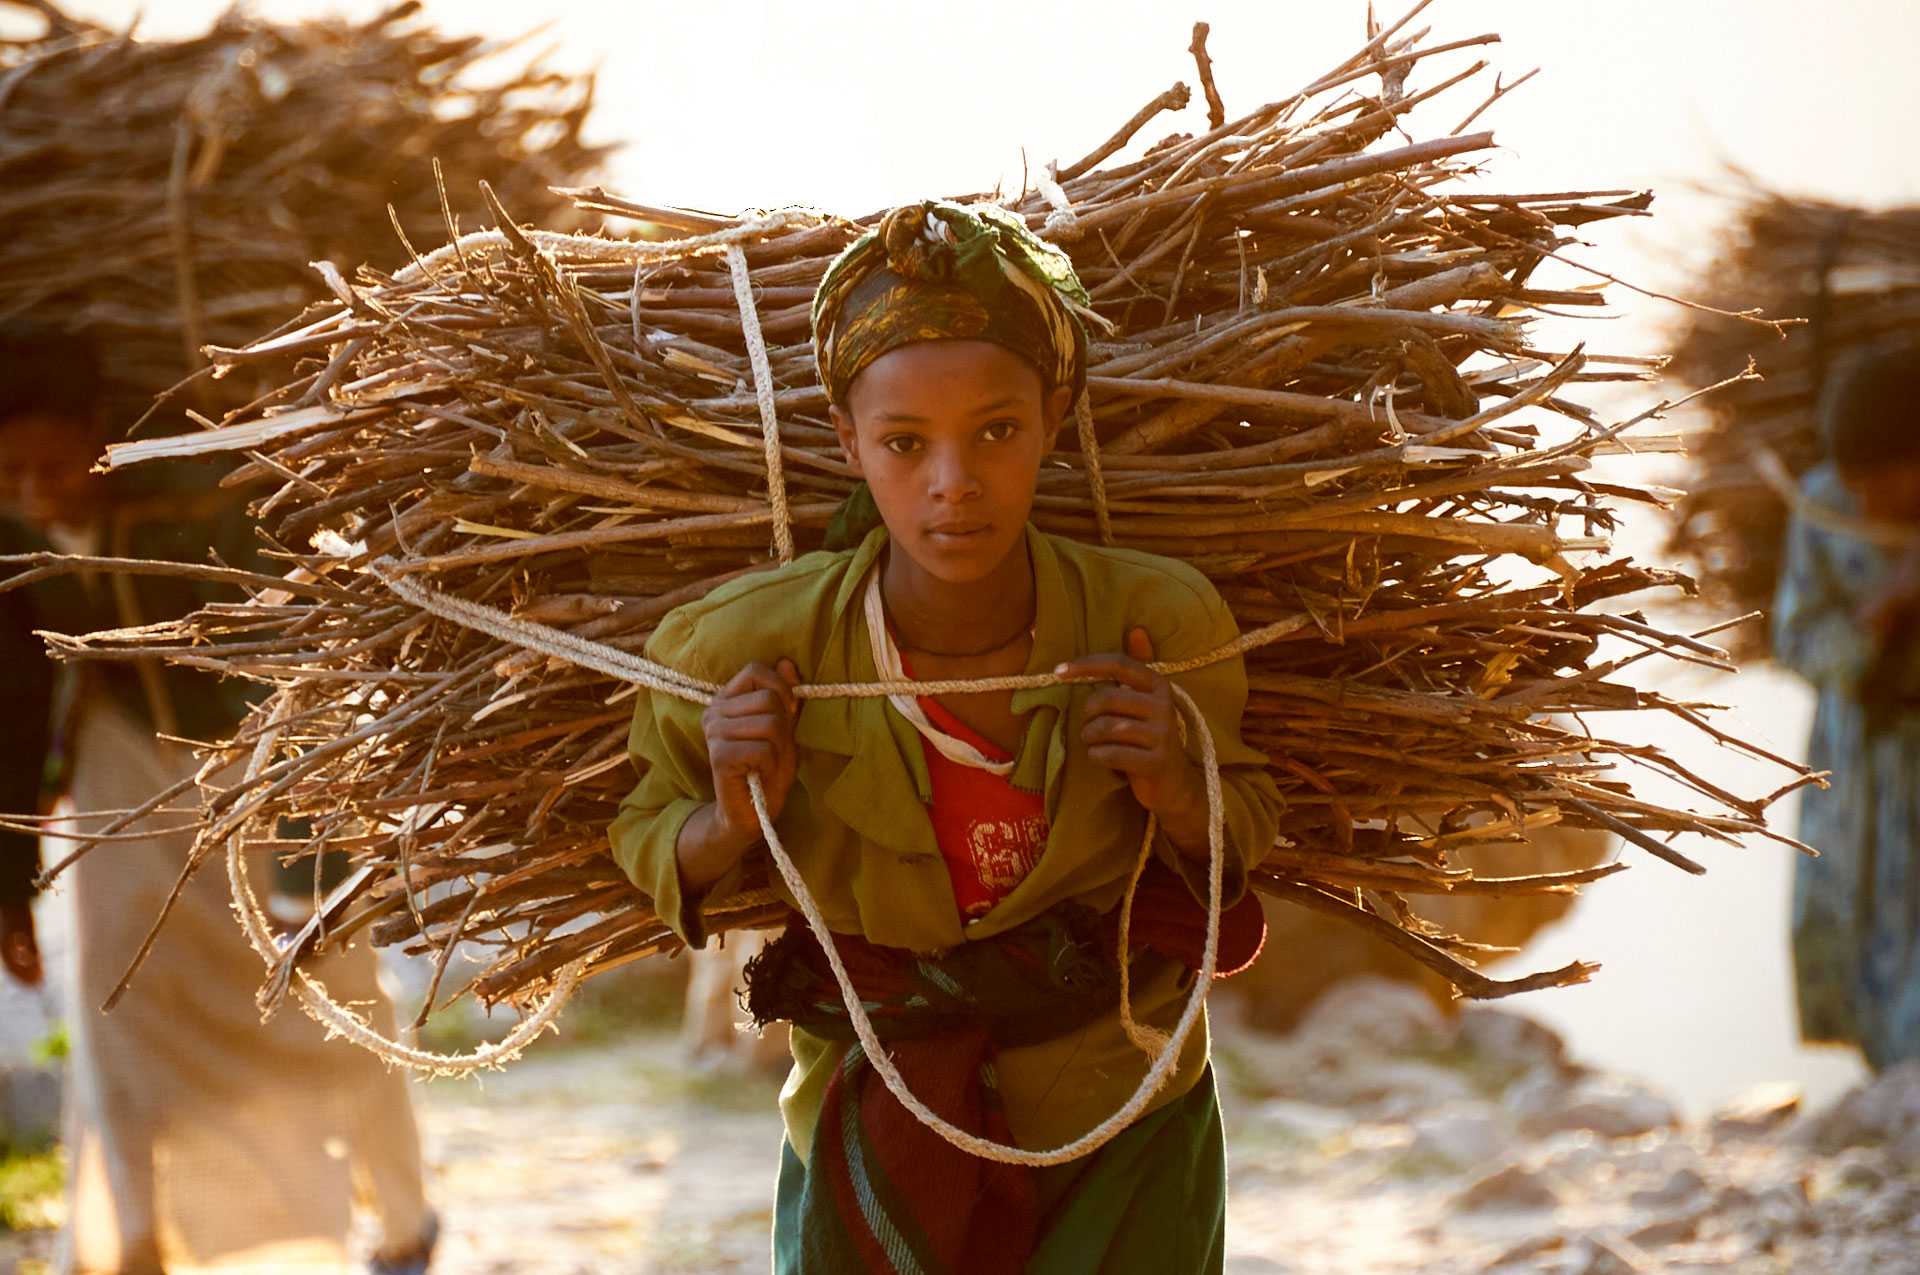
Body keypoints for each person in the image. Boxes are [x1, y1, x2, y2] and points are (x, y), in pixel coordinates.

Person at [611, 202, 1283, 1273]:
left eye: (996, 432)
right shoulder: (737, 646)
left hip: (1124, 1104)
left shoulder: (1161, 623)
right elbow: (647, 834)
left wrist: (1183, 785)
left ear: (1054, 416)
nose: (953, 484)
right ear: (848, 442)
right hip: (876, 1109)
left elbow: (1243, 835)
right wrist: (730, 819)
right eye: (905, 444)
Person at [0, 323, 439, 1275]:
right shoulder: (7, 538)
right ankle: (136, 1242)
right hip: (124, 782)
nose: (33, 491)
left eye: (51, 463)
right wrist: (5, 889)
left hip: (260, 765)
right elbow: (10, 699)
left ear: (100, 432)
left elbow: (299, 670)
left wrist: (304, 859)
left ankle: (404, 1229)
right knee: (117, 1011)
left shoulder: (202, 504)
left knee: (330, 996)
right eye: (10, 472)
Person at [1774, 341, 1920, 1074]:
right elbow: (1796, 643)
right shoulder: (1824, 509)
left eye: (1883, 480)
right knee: (1871, 940)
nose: (1866, 500)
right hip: (1864, 765)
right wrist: (1885, 605)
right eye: (1854, 482)